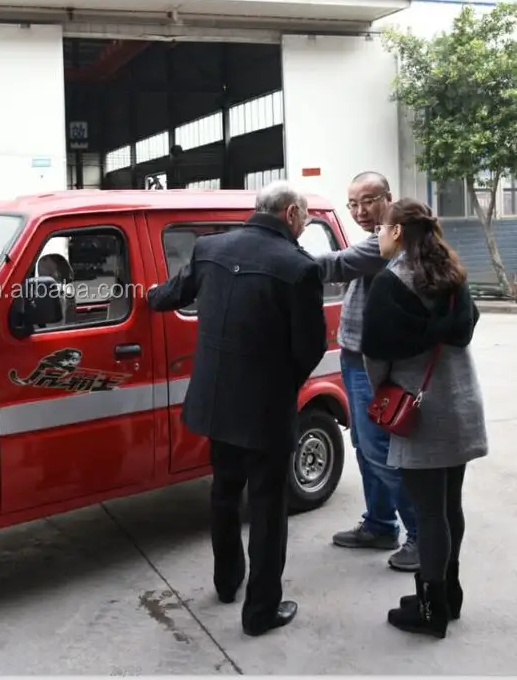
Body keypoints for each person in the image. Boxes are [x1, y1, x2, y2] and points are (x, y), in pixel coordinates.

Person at [146, 181, 327, 637]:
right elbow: (310, 348)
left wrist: (145, 296)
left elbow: (174, 294)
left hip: (215, 401)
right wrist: (281, 385)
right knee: (267, 507)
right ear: (289, 214)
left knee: (225, 493)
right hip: (265, 409)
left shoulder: (210, 248)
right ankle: (260, 611)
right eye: (304, 218)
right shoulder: (298, 267)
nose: (305, 226)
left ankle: (227, 583)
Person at [360, 198, 487, 639]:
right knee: (450, 506)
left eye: (381, 228)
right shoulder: (453, 275)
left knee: (428, 513)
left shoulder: (391, 283)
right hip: (461, 404)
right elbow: (467, 327)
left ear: (397, 232)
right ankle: (448, 595)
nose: (377, 235)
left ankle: (431, 610)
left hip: (422, 411)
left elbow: (374, 354)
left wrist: (381, 394)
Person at [316, 171, 419, 572]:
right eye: (353, 204)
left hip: (375, 364)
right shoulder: (377, 235)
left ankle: (420, 536)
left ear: (387, 198)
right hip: (354, 356)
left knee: (379, 449)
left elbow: (338, 264)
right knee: (363, 444)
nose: (360, 211)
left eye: (368, 200)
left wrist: (283, 258)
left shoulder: (390, 239)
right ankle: (379, 524)